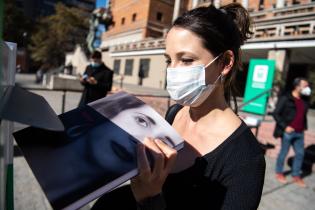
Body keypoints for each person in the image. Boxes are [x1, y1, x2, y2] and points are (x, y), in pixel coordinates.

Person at [92, 3, 265, 210]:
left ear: (225, 62)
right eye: (168, 60)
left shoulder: (246, 160)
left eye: (186, 59)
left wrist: (150, 199)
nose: (172, 72)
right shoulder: (175, 113)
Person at [273, 77, 311, 187]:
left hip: (300, 132)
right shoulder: (286, 97)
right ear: (297, 86)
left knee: (300, 154)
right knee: (284, 152)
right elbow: (276, 113)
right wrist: (285, 127)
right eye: (305, 85)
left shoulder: (304, 100)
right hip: (288, 132)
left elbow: (302, 115)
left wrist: (304, 127)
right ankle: (279, 173)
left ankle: (296, 175)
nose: (307, 88)